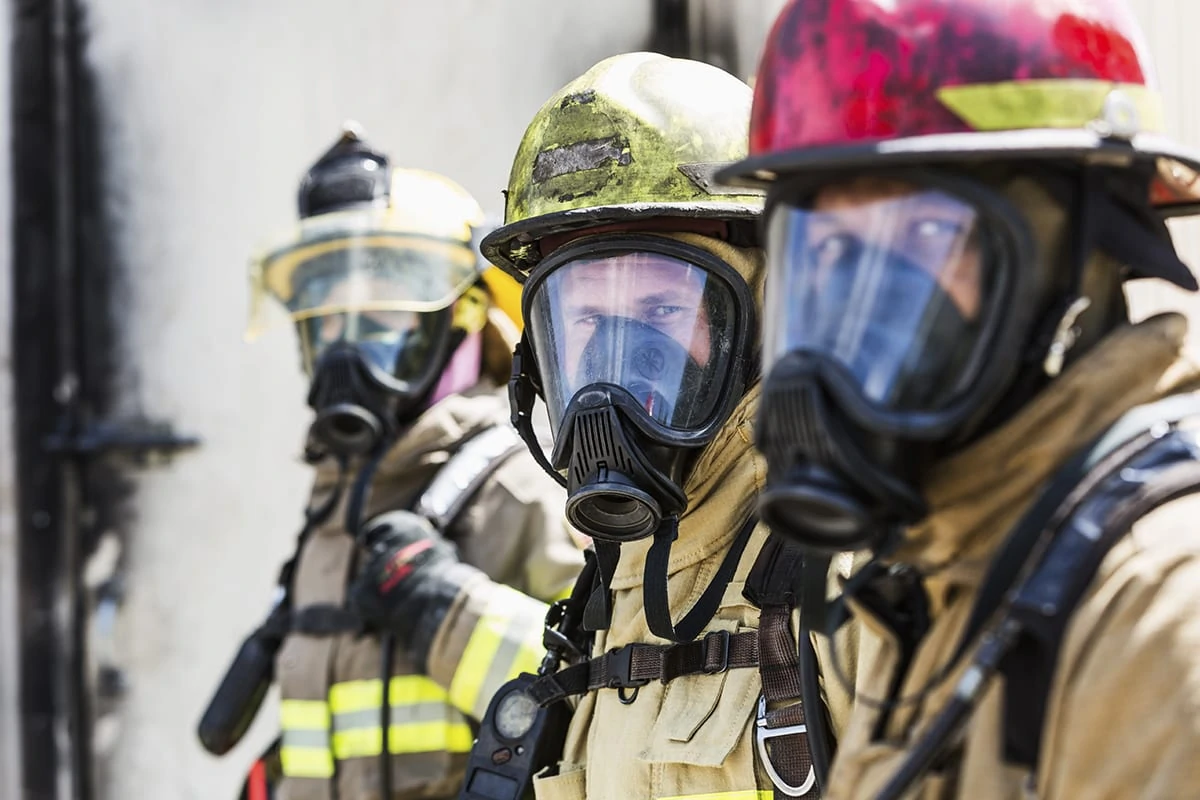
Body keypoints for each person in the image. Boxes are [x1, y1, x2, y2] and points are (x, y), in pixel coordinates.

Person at [347, 52, 862, 800]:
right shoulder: (606, 603)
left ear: (772, 314)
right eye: (586, 319)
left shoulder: (851, 580)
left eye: (660, 312)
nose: (614, 371)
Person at [719, 0, 1200, 797]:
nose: (857, 307)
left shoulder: (1161, 625)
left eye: (924, 239)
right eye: (830, 250)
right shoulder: (944, 573)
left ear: (1077, 260)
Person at [211, 124, 585, 800]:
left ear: (466, 319)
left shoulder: (520, 486)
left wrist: (448, 611)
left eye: (382, 322)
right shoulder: (334, 503)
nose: (346, 353)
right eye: (329, 322)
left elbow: (604, 697)